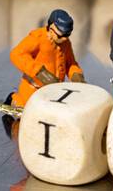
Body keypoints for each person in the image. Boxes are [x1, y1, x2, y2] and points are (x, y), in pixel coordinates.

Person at [5, 9, 84, 137]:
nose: (63, 39)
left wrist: (77, 76)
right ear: (51, 27)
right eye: (60, 36)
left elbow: (71, 63)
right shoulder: (38, 38)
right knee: (27, 114)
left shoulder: (65, 43)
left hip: (54, 91)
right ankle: (13, 98)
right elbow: (16, 54)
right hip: (33, 88)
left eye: (67, 36)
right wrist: (39, 72)